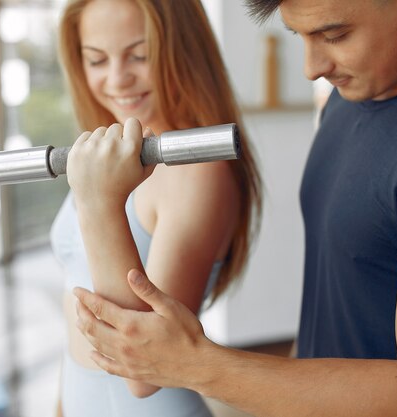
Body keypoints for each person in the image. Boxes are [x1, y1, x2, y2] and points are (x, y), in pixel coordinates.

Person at [72, 0, 397, 416]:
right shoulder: (347, 102)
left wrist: (196, 364)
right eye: (299, 36)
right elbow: (335, 300)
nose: (311, 68)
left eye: (335, 35)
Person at [50, 0, 262, 416]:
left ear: (182, 48)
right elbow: (74, 308)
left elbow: (143, 373)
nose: (117, 79)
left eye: (140, 55)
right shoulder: (112, 155)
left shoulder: (200, 173)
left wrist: (98, 200)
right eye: (96, 59)